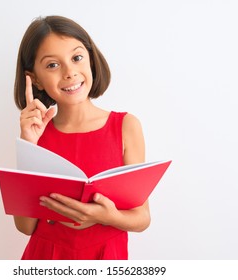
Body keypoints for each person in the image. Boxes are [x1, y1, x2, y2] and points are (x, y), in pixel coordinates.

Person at [13, 15, 150, 260]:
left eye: (76, 58)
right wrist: (28, 145)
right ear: (35, 79)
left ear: (90, 59)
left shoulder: (125, 126)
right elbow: (25, 227)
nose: (69, 72)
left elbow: (142, 218)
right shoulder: (36, 135)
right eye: (52, 65)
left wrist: (104, 216)